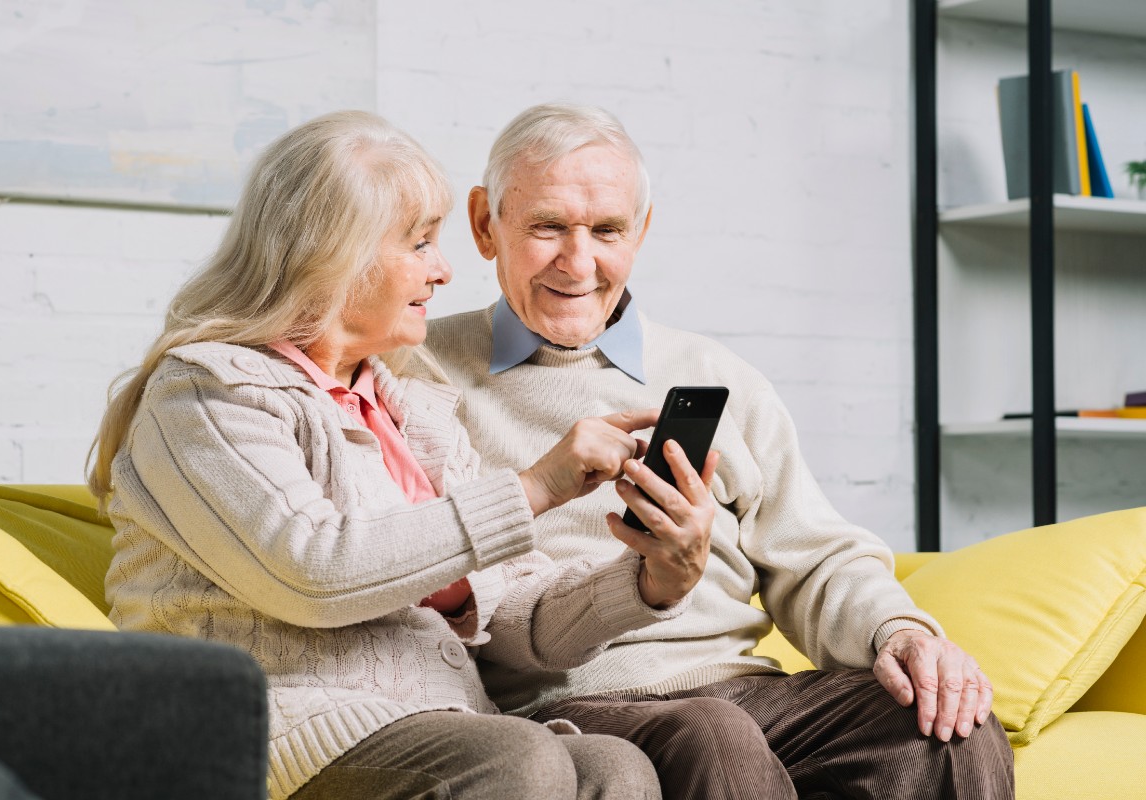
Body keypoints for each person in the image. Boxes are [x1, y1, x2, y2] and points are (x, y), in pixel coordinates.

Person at [87, 110, 719, 800]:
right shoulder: (206, 394)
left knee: (615, 768)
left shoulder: (411, 405)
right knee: (520, 761)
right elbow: (314, 571)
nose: (444, 270)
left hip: (432, 726)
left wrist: (651, 580)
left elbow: (514, 612)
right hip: (263, 730)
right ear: (333, 254)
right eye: (419, 244)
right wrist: (535, 486)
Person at [414, 103, 1015, 800]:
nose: (578, 262)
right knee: (713, 734)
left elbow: (816, 558)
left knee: (948, 728)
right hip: (568, 708)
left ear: (641, 230)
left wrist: (900, 633)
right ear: (485, 224)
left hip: (746, 695)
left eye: (606, 230)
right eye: (547, 227)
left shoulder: (717, 374)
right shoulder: (418, 374)